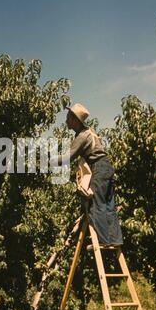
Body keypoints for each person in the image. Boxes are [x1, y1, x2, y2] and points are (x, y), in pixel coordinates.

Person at [52, 103, 123, 248]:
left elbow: (68, 157)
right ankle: (115, 240)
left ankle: (103, 241)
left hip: (98, 167)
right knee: (108, 205)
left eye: (68, 118)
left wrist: (49, 161)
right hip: (106, 167)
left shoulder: (83, 136)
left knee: (95, 204)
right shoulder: (89, 132)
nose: (66, 121)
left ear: (75, 120)